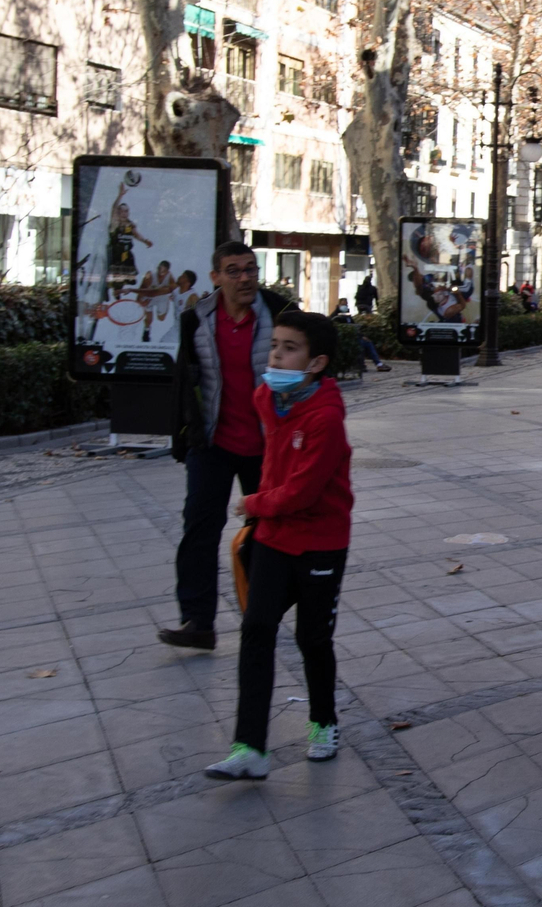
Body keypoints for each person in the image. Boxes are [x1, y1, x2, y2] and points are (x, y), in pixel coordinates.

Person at [204, 311, 353, 779]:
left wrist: (252, 502)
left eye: (290, 348)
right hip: (273, 539)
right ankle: (249, 747)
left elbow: (304, 493)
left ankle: (323, 723)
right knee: (256, 630)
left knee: (312, 638)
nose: (276, 355)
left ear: (316, 362)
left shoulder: (327, 418)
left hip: (320, 543)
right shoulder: (269, 396)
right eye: (275, 345)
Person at [160, 242, 295, 651]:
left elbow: (309, 363)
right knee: (199, 530)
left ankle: (263, 614)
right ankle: (198, 621)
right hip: (213, 442)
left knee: (267, 533)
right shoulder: (196, 319)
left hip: (266, 444)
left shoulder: (281, 312)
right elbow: (185, 382)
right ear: (216, 277)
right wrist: (183, 435)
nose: (244, 278)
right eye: (233, 271)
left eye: (250, 269)